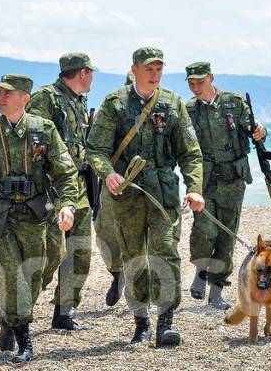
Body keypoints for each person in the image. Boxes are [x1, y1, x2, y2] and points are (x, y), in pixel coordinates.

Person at [0, 74, 78, 364]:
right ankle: (25, 342)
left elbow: (66, 173)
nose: (1, 97)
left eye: (8, 93)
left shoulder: (43, 129)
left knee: (35, 277)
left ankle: (7, 317)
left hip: (35, 216)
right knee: (12, 278)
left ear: (25, 98)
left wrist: (68, 206)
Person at [86, 47, 205, 347]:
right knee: (135, 257)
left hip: (163, 194)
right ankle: (141, 324)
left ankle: (166, 322)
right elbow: (95, 150)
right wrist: (107, 173)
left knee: (166, 253)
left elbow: (190, 153)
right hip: (127, 195)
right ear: (134, 69)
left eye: (159, 68)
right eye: (149, 68)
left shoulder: (172, 103)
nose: (155, 74)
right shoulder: (115, 104)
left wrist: (194, 188)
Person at [184, 62, 266, 310]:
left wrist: (261, 132)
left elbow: (255, 128)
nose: (196, 87)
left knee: (227, 235)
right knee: (204, 230)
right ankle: (201, 269)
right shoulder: (188, 110)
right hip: (204, 179)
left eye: (200, 81)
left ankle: (217, 290)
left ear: (211, 78)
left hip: (233, 178)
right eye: (191, 83)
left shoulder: (234, 103)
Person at [26, 53, 96, 330]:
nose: (92, 77)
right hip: (53, 187)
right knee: (50, 253)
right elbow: (34, 144)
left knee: (80, 253)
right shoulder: (47, 98)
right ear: (82, 72)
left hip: (78, 185)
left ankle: (63, 313)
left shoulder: (78, 101)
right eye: (90, 72)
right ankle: (19, 312)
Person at [93, 70, 135, 307]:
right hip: (112, 180)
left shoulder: (158, 111)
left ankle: (138, 286)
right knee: (106, 232)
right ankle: (117, 273)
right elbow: (96, 146)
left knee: (143, 237)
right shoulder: (109, 110)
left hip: (143, 183)